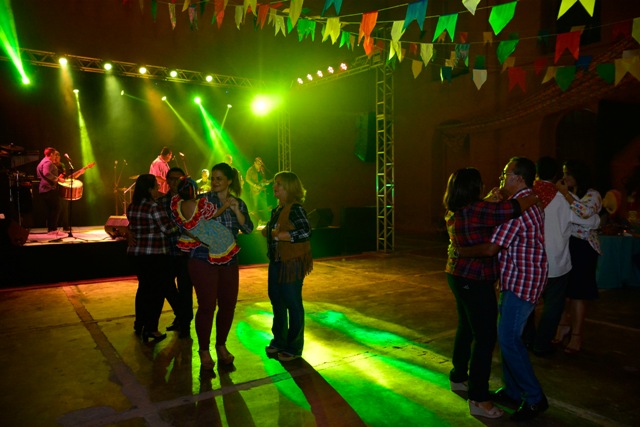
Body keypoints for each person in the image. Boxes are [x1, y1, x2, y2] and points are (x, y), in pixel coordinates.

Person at [457, 157, 549, 422]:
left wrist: (461, 251)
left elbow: (491, 248)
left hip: (522, 281)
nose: (500, 179)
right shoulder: (524, 201)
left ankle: (535, 398)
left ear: (518, 178)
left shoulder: (517, 209)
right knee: (507, 336)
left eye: (505, 174)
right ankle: (513, 391)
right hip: (516, 278)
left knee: (508, 340)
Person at [525, 157, 600, 356]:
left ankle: (528, 339)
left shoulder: (526, 195)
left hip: (530, 260)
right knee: (553, 305)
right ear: (556, 175)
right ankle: (542, 343)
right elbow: (591, 221)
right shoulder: (563, 198)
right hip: (556, 261)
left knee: (528, 302)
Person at [187, 163, 253, 370]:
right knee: (207, 306)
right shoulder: (203, 200)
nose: (214, 182)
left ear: (229, 181)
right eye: (213, 178)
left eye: (219, 179)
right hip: (203, 258)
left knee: (228, 305)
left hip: (229, 259)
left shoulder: (238, 202)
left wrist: (236, 210)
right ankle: (203, 350)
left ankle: (221, 345)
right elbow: (190, 226)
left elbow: (248, 229)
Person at [262, 172, 313, 362]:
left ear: (289, 188)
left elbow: (306, 231)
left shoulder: (295, 209)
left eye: (279, 184)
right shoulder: (278, 209)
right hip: (277, 261)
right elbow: (275, 231)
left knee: (292, 302)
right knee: (277, 300)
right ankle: (280, 341)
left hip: (291, 263)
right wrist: (269, 231)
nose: (274, 186)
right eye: (275, 183)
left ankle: (294, 346)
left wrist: (283, 236)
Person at [553, 160, 602, 354]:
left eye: (568, 173)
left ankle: (576, 336)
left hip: (584, 247)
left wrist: (566, 195)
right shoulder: (567, 195)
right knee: (565, 291)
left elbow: (585, 213)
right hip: (568, 244)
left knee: (579, 293)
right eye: (563, 173)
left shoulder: (593, 194)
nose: (564, 177)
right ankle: (563, 326)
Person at [126, 174, 180, 343]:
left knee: (143, 289)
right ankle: (151, 329)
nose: (159, 189)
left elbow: (132, 227)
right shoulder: (154, 207)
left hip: (137, 254)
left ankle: (139, 323)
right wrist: (182, 223)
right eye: (156, 186)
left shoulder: (132, 207)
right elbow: (167, 229)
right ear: (149, 189)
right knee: (157, 293)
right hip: (156, 254)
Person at [156, 167, 193, 338]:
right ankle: (182, 315)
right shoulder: (161, 202)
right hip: (167, 251)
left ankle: (184, 323)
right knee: (166, 285)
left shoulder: (189, 201)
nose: (173, 182)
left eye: (177, 179)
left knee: (185, 288)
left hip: (185, 252)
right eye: (170, 179)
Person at [36, 147, 65, 234]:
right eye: (55, 155)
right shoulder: (47, 162)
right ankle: (53, 229)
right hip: (49, 189)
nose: (56, 157)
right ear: (51, 154)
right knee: (56, 208)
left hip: (44, 189)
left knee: (51, 210)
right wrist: (57, 179)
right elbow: (46, 173)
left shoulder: (42, 162)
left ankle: (51, 229)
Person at [245, 157, 271, 221]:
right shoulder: (251, 170)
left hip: (262, 189)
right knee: (255, 206)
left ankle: (266, 220)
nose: (259, 165)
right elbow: (247, 179)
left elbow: (263, 179)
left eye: (260, 163)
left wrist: (266, 182)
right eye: (258, 163)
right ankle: (255, 221)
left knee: (264, 204)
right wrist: (255, 185)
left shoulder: (262, 170)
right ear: (255, 163)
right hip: (255, 190)